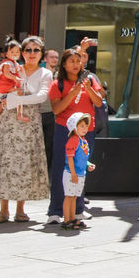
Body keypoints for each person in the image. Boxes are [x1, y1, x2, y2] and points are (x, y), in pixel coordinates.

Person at [0, 35, 52, 224]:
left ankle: (20, 209)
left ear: (42, 54)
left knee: (25, 163)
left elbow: (41, 96)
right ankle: (3, 209)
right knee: (5, 162)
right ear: (21, 52)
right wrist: (5, 97)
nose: (31, 54)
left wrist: (17, 99)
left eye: (36, 50)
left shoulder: (44, 74)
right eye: (28, 50)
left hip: (29, 122)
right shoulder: (13, 68)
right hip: (8, 121)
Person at [46, 47, 104, 225]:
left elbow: (99, 103)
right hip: (65, 129)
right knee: (59, 168)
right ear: (64, 64)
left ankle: (78, 209)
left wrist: (89, 89)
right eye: (72, 61)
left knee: (80, 168)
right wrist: (73, 92)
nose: (76, 64)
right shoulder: (58, 84)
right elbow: (56, 109)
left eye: (78, 61)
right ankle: (55, 210)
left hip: (87, 131)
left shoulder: (90, 80)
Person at [61, 112, 94, 231]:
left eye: (86, 126)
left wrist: (88, 165)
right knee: (69, 196)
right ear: (74, 128)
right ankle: (66, 220)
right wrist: (73, 174)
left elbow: (83, 158)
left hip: (80, 174)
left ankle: (72, 217)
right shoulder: (73, 141)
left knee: (74, 197)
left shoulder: (84, 141)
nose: (85, 129)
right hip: (72, 174)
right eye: (81, 126)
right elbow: (70, 158)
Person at [0, 38, 28, 127]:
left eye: (17, 52)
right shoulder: (7, 63)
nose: (15, 54)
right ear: (6, 53)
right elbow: (6, 73)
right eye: (12, 52)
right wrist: (15, 78)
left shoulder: (16, 64)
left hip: (7, 86)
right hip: (4, 85)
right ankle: (19, 114)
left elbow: (20, 72)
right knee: (19, 93)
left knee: (5, 102)